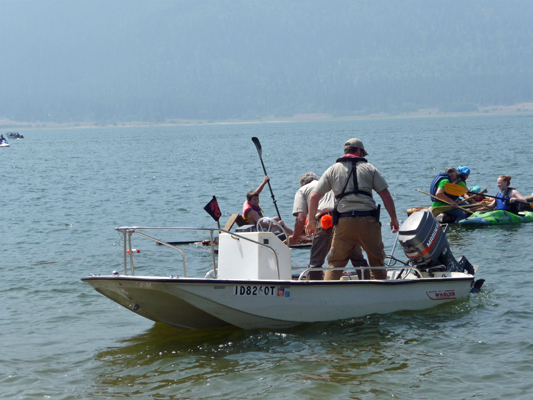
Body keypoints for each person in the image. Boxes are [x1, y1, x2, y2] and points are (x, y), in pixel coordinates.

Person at [306, 138, 399, 281]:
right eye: (362, 153)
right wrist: (393, 218)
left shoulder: (332, 170)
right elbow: (386, 195)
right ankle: (379, 294)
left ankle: (327, 295)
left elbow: (314, 197)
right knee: (377, 261)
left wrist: (311, 221)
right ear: (359, 151)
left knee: (336, 263)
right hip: (368, 221)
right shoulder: (370, 169)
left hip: (344, 222)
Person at [288, 172, 368, 280]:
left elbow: (301, 217)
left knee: (316, 262)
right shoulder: (328, 184)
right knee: (357, 258)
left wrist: (295, 238)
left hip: (325, 222)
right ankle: (368, 283)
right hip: (345, 220)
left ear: (302, 184)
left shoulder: (303, 190)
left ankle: (315, 289)